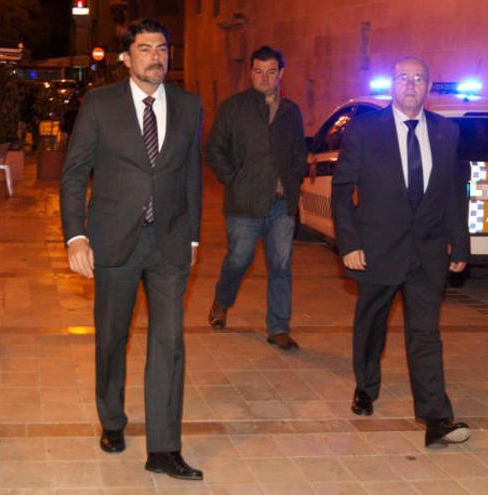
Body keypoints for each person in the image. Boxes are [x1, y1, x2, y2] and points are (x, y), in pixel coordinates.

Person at [60, 18, 204, 481]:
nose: (156, 57)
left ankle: (163, 447)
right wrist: (75, 235)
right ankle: (113, 420)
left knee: (169, 343)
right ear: (126, 57)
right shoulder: (100, 105)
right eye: (145, 49)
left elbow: (192, 176)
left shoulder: (188, 105)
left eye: (162, 48)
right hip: (113, 239)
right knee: (111, 337)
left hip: (168, 242)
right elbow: (75, 172)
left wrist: (194, 237)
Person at [331, 56, 471, 448]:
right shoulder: (364, 130)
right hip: (376, 248)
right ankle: (366, 385)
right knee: (372, 323)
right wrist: (350, 242)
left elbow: (452, 191)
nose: (411, 85)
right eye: (403, 78)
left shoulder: (447, 131)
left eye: (419, 79)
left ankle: (436, 417)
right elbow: (343, 191)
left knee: (425, 332)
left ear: (428, 86)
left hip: (426, 252)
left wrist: (459, 242)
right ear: (392, 85)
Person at [206, 46, 307, 351]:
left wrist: (295, 176)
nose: (265, 78)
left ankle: (278, 328)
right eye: (259, 71)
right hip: (244, 204)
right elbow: (214, 149)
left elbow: (299, 151)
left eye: (271, 71)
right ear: (251, 73)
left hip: (281, 204)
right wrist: (233, 179)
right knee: (238, 260)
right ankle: (222, 301)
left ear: (281, 74)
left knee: (280, 265)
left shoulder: (291, 111)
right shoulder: (233, 108)